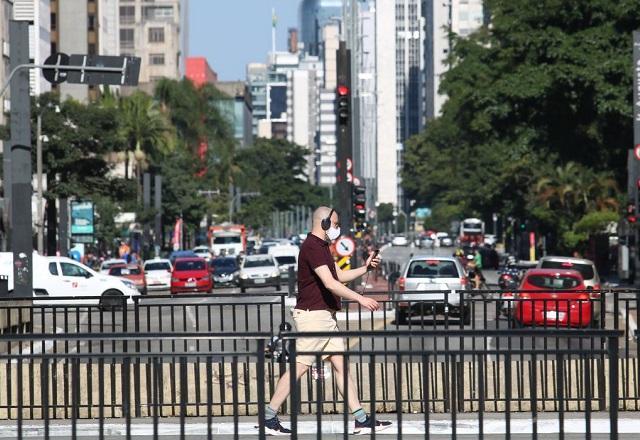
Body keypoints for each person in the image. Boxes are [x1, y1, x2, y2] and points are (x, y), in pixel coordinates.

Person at [262, 206, 392, 435]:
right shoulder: (312, 247)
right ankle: (269, 417)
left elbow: (338, 277)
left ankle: (361, 420)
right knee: (300, 367)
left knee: (341, 366)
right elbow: (331, 284)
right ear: (324, 224)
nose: (338, 229)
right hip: (314, 317)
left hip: (325, 317)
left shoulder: (322, 247)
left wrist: (364, 268)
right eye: (335, 224)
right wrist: (360, 298)